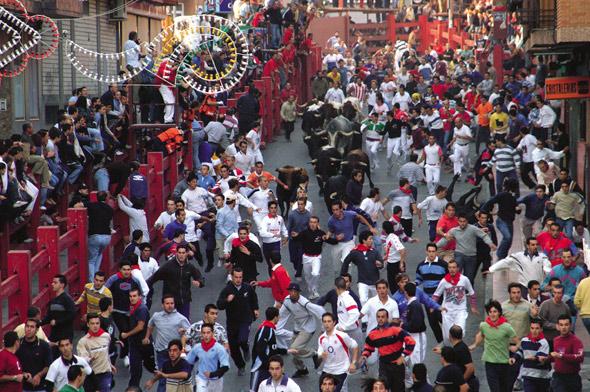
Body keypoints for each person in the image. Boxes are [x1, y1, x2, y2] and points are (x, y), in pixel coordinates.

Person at [217, 268, 259, 376]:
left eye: (240, 277)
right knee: (234, 348)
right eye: (236, 277)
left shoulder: (247, 288)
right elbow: (219, 304)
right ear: (232, 276)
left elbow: (254, 299)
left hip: (245, 320)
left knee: (242, 339)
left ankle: (245, 348)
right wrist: (227, 300)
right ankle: (240, 366)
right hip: (232, 322)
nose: (238, 279)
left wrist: (255, 309)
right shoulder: (227, 290)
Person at [469, 300, 518, 392]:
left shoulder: (506, 327)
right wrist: (475, 345)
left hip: (504, 363)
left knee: (504, 389)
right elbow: (480, 335)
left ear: (499, 312)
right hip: (490, 363)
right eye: (490, 312)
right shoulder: (484, 325)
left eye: (495, 311)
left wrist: (515, 348)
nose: (492, 314)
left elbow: (517, 341)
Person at [361, 309, 416, 391]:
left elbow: (411, 342)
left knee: (398, 389)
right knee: (382, 389)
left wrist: (403, 356)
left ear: (387, 318)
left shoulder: (396, 330)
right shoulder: (373, 334)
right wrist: (364, 356)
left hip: (397, 366)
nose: (380, 319)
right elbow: (368, 347)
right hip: (383, 366)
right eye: (378, 317)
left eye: (383, 317)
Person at [144, 295, 190, 392]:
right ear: (162, 305)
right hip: (161, 352)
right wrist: (147, 337)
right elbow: (150, 325)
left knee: (176, 379)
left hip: (175, 353)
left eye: (172, 303)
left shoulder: (181, 318)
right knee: (162, 378)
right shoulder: (156, 316)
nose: (170, 305)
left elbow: (190, 333)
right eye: (167, 303)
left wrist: (184, 331)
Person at [436, 212, 496, 285]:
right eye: (460, 221)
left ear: (467, 221)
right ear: (458, 221)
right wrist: (435, 247)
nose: (462, 223)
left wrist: (490, 243)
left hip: (471, 256)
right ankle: (455, 288)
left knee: (469, 278)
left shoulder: (473, 229)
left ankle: (468, 292)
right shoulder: (454, 231)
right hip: (459, 254)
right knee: (457, 272)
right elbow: (445, 240)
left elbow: (484, 236)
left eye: (464, 221)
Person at [147, 244, 204, 320]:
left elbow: (199, 277)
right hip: (170, 302)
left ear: (187, 253)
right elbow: (154, 278)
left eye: (183, 253)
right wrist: (144, 290)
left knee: (184, 324)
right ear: (176, 253)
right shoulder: (168, 266)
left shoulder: (189, 267)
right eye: (179, 252)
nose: (181, 255)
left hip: (184, 300)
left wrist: (199, 282)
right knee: (171, 324)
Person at [433, 259, 478, 343]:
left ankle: (458, 351)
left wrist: (473, 306)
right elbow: (436, 295)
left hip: (460, 310)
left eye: (454, 267)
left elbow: (472, 293)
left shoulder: (464, 280)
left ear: (457, 268)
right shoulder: (444, 281)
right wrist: (433, 307)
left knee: (460, 333)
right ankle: (449, 352)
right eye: (450, 267)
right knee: (447, 336)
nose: (452, 269)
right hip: (447, 311)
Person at [317, 312, 359, 392]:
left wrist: (353, 363)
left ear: (334, 322)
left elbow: (355, 346)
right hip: (327, 370)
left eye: (329, 321)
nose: (327, 324)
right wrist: (320, 355)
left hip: (341, 370)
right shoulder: (321, 338)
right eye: (324, 322)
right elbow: (320, 352)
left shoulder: (342, 336)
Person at [415, 243, 447, 344]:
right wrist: (414, 284)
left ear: (436, 252)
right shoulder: (421, 265)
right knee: (433, 323)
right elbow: (419, 279)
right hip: (427, 299)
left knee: (442, 319)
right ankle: (441, 343)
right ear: (426, 252)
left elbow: (447, 280)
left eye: (433, 251)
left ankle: (451, 339)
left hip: (440, 297)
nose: (431, 254)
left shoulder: (443, 264)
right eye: (429, 251)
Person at [341, 231, 384, 306]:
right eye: (370, 239)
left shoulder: (375, 252)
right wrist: (344, 274)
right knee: (363, 300)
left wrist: (380, 264)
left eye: (372, 239)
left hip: (375, 282)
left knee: (378, 302)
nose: (372, 241)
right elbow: (346, 261)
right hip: (362, 281)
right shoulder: (355, 252)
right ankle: (365, 317)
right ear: (364, 240)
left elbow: (381, 265)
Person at [185, 323, 230, 392]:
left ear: (212, 333)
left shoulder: (219, 348)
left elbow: (225, 367)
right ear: (201, 334)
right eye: (204, 333)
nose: (206, 335)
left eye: (208, 333)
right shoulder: (197, 347)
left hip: (216, 380)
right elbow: (188, 362)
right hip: (201, 378)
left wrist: (212, 374)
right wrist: (186, 375)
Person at [250, 307, 285, 391]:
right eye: (278, 316)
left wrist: (286, 351)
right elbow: (260, 349)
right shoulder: (266, 330)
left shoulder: (270, 329)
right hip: (260, 368)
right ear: (275, 317)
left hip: (269, 368)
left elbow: (272, 348)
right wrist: (268, 365)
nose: (279, 318)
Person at [76, 313, 114, 391]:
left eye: (97, 323)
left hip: (105, 373)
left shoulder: (106, 336)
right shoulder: (83, 342)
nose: (95, 326)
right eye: (92, 323)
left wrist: (110, 364)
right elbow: (82, 359)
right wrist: (89, 359)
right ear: (88, 324)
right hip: (90, 375)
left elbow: (106, 352)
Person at [40, 274, 76, 353]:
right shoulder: (53, 301)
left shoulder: (67, 299)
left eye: (55, 282)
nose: (52, 284)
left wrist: (57, 322)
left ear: (62, 285)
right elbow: (49, 316)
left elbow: (72, 314)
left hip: (65, 335)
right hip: (54, 335)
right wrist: (39, 323)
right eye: (52, 282)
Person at [514, 319, 551, 392]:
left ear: (541, 329)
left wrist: (535, 358)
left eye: (537, 328)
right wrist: (514, 358)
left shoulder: (544, 342)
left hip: (541, 376)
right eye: (532, 328)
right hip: (528, 375)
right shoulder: (524, 340)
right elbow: (521, 351)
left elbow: (542, 356)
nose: (534, 331)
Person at [122, 288, 149, 388]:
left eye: (134, 296)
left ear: (139, 297)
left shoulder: (141, 309)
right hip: (134, 342)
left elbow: (140, 326)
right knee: (135, 370)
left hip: (140, 343)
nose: (132, 298)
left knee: (140, 368)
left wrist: (127, 334)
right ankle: (134, 387)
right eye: (130, 296)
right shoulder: (133, 307)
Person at [16, 318, 52, 392]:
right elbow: (13, 364)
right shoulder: (17, 345)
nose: (28, 329)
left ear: (37, 330)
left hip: (41, 387)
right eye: (27, 326)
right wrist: (23, 374)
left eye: (32, 327)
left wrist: (39, 375)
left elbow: (48, 365)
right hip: (22, 387)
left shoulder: (44, 345)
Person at [549, 315, 584, 391]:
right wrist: (546, 358)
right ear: (557, 326)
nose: (564, 327)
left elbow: (580, 357)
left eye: (566, 324)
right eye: (561, 325)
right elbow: (555, 357)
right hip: (558, 377)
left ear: (570, 326)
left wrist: (561, 356)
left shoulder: (576, 341)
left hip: (572, 377)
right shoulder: (555, 340)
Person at [298, 216, 328, 299]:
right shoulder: (304, 233)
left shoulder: (321, 233)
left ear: (317, 223)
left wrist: (336, 239)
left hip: (316, 257)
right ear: (309, 223)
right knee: (307, 276)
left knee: (315, 273)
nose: (312, 224)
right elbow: (296, 239)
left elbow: (329, 240)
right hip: (306, 257)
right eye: (311, 222)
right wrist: (294, 236)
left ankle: (314, 289)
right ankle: (311, 291)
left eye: (314, 222)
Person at [87, 191, 114, 281]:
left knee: (91, 260)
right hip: (106, 236)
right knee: (99, 254)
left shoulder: (91, 206)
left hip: (95, 235)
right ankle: (98, 278)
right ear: (106, 199)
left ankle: (92, 280)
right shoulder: (110, 209)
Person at [404, 282, 427, 365]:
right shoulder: (413, 304)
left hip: (417, 336)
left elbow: (416, 325)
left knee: (418, 364)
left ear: (405, 292)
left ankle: (422, 378)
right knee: (407, 361)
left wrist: (403, 325)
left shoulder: (414, 305)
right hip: (411, 336)